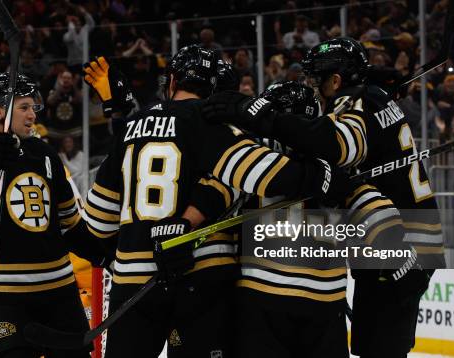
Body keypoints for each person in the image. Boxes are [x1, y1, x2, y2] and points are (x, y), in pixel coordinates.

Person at [82, 45, 352, 358]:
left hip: (134, 282)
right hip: (202, 275)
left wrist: (135, 243)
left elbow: (97, 221)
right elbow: (269, 175)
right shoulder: (213, 125)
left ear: (171, 81)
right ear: (215, 89)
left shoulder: (130, 129)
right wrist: (324, 174)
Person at [202, 37, 444, 358]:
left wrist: (265, 118)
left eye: (315, 79)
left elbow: (335, 145)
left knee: (380, 349)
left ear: (336, 80)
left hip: (399, 245)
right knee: (374, 345)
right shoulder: (373, 97)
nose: (310, 86)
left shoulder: (358, 102)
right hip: (401, 233)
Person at [0, 72, 112, 357]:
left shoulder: (44, 154)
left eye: (33, 107)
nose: (33, 115)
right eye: (24, 107)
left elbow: (69, 224)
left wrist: (106, 254)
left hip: (57, 291)